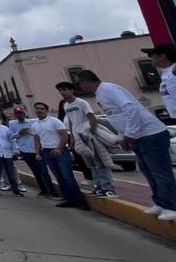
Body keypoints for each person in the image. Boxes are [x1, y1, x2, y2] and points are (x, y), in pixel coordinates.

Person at [77, 70, 176, 221]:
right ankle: (161, 202)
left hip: (150, 135)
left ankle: (171, 206)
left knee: (160, 172)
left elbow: (131, 108)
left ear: (85, 81)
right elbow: (117, 116)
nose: (80, 86)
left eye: (80, 83)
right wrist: (123, 136)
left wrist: (130, 133)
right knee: (147, 171)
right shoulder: (100, 94)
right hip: (139, 137)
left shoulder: (108, 89)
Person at [56, 81, 116, 198]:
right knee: (91, 164)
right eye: (60, 90)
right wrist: (72, 138)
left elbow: (92, 118)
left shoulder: (82, 103)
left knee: (100, 162)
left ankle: (109, 188)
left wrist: (92, 133)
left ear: (72, 90)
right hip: (79, 137)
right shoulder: (66, 106)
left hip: (89, 135)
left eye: (64, 89)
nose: (62, 92)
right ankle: (98, 186)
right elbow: (72, 122)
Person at [31, 102, 87, 210]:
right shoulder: (35, 125)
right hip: (47, 153)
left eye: (42, 108)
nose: (39, 110)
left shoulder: (54, 121)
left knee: (68, 177)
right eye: (37, 108)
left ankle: (80, 201)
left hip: (61, 151)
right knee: (59, 177)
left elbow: (64, 135)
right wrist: (37, 153)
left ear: (46, 110)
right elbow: (37, 141)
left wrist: (59, 149)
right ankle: (68, 199)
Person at [9, 106, 58, 199]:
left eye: (21, 113)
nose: (20, 116)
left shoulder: (32, 122)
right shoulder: (13, 125)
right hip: (25, 151)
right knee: (35, 172)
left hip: (36, 150)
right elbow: (11, 137)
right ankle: (44, 191)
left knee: (43, 171)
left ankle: (52, 191)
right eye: (17, 114)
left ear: (24, 113)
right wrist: (19, 133)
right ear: (15, 115)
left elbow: (38, 134)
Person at [145, 44, 176, 120]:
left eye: (152, 55)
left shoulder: (174, 69)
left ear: (162, 56)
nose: (150, 57)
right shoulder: (165, 73)